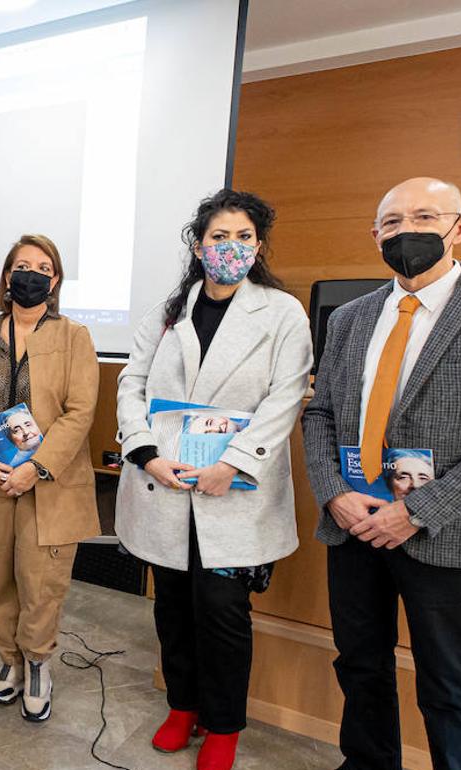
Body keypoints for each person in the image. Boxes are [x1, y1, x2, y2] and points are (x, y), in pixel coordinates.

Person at [115, 190, 313, 770]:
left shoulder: (281, 312)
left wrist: (237, 463)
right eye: (219, 237)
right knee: (172, 605)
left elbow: (287, 395)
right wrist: (145, 451)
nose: (231, 248)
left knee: (223, 611)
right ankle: (183, 706)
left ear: (259, 245)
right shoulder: (169, 311)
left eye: (243, 237)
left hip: (235, 487)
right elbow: (133, 382)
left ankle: (223, 725)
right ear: (199, 245)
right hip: (167, 480)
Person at [303, 177, 461, 770]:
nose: (406, 231)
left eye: (424, 217)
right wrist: (333, 495)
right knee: (359, 665)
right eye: (391, 222)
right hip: (354, 526)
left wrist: (417, 512)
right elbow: (321, 414)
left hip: (447, 535)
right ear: (375, 235)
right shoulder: (351, 318)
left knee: (453, 687)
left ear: (460, 227)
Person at [0, 234, 99, 722]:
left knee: (40, 582)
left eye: (41, 267)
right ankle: (9, 662)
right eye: (21, 266)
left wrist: (35, 467)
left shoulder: (74, 336)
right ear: (7, 276)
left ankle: (37, 665)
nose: (29, 274)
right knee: (0, 581)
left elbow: (80, 413)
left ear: (54, 280)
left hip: (47, 484)